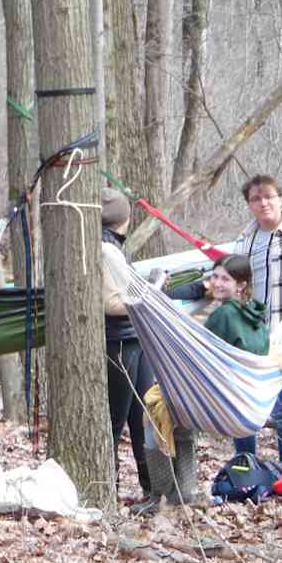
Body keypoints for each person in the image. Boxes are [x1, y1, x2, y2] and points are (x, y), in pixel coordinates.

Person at [232, 174, 282, 461]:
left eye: (268, 196)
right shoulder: (245, 240)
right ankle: (246, 468)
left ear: (280, 198)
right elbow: (232, 282)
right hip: (254, 336)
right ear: (249, 205)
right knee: (243, 404)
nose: (263, 202)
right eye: (255, 198)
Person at [165, 254, 269, 457]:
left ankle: (173, 481)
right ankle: (246, 463)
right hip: (249, 393)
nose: (217, 283)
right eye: (215, 277)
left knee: (161, 404)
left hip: (228, 392)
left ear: (241, 285)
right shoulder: (253, 309)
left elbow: (200, 354)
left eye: (225, 279)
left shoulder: (224, 315)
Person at [99, 187, 152, 500]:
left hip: (133, 339)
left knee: (144, 417)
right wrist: (151, 294)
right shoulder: (106, 251)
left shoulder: (112, 248)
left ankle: (153, 489)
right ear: (126, 220)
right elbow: (112, 304)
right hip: (118, 342)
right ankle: (108, 491)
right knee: (115, 422)